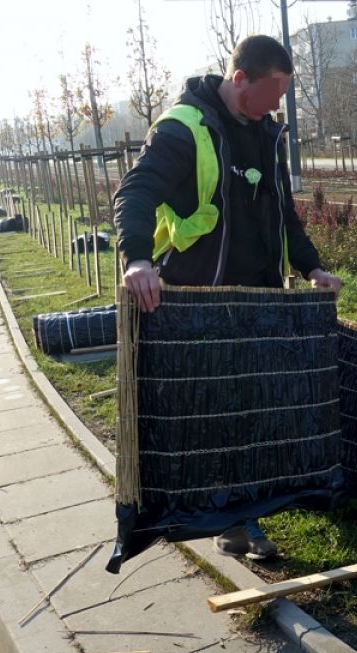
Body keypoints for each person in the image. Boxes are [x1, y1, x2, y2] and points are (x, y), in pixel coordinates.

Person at [113, 34, 342, 561]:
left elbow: (285, 212)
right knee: (212, 416)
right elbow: (137, 192)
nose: (277, 105)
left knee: (253, 411)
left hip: (260, 299)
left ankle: (244, 516)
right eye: (272, 92)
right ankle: (219, 518)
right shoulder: (183, 127)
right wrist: (138, 259)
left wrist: (312, 267)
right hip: (201, 304)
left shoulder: (267, 133)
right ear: (240, 79)